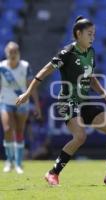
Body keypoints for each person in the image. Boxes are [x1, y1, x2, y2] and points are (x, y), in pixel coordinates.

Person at [16, 16, 106, 186]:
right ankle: (52, 173)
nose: (93, 38)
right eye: (89, 34)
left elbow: (90, 78)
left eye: (94, 34)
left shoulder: (90, 53)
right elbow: (44, 71)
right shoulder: (67, 52)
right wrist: (28, 92)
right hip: (67, 101)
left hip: (84, 101)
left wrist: (105, 95)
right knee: (80, 136)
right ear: (79, 33)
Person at [0, 41, 41, 174]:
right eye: (10, 52)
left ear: (19, 53)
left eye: (15, 52)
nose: (12, 54)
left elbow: (31, 86)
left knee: (19, 131)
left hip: (22, 103)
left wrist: (37, 105)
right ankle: (9, 161)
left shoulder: (25, 66)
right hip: (5, 101)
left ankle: (18, 163)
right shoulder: (2, 67)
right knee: (7, 129)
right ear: (6, 53)